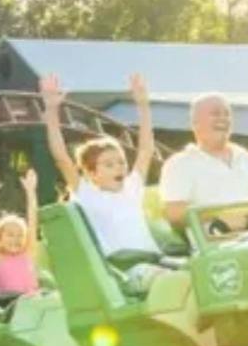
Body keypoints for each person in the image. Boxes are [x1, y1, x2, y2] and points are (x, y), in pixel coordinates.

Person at [42, 72, 169, 293]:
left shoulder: (131, 187)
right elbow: (61, 157)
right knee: (166, 284)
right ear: (92, 173)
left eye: (121, 162)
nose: (119, 167)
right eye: (109, 164)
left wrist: (143, 105)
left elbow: (146, 149)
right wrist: (52, 110)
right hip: (122, 267)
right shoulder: (88, 194)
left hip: (153, 259)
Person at [160, 92, 248, 229]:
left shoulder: (245, 156)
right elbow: (174, 215)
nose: (223, 119)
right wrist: (223, 220)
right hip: (216, 242)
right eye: (215, 114)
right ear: (195, 123)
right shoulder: (179, 164)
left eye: (227, 114)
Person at [0, 170, 41, 298]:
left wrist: (30, 192)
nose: (16, 239)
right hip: (11, 306)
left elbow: (33, 220)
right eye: (10, 235)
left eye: (20, 235)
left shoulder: (28, 252)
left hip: (34, 305)